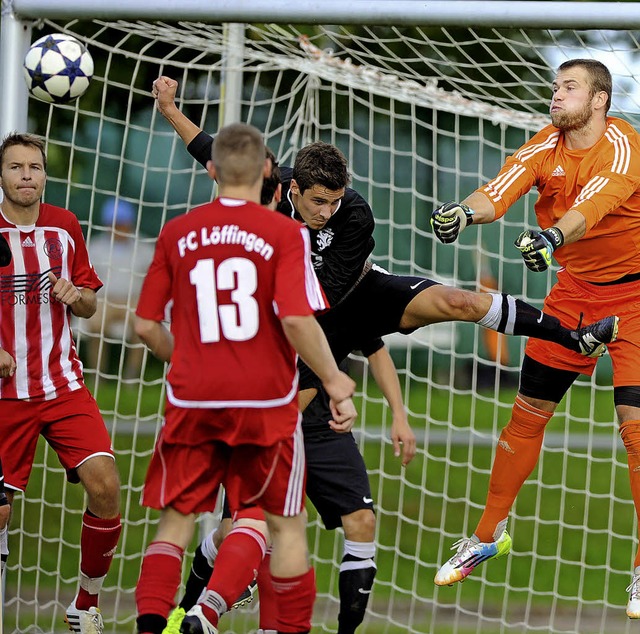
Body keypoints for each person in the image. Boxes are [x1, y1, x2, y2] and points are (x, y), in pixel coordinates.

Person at [428, 58, 640, 617]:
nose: (556, 94)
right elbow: (498, 191)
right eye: (555, 85)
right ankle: (488, 534)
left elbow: (592, 207)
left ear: (599, 99)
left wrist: (550, 234)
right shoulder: (545, 143)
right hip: (572, 294)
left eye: (568, 87)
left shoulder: (622, 145)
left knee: (636, 431)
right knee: (526, 415)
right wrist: (462, 215)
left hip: (635, 299)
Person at [133, 122, 357, 634]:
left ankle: (152, 626)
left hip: (192, 400)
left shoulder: (177, 231)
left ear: (211, 171)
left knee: (174, 525)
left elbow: (146, 325)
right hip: (264, 406)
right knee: (283, 527)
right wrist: (334, 381)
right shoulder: (285, 233)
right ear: (267, 174)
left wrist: (187, 357)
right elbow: (298, 320)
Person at [164, 344, 415, 634]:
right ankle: (186, 613)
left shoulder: (340, 300)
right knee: (239, 531)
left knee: (361, 521)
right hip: (265, 423)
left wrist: (399, 414)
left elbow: (375, 346)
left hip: (324, 428)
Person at [0, 133, 122, 634]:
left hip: (63, 386)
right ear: (2, 176)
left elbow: (90, 303)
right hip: (6, 395)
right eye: (16, 167)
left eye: (35, 167)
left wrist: (77, 298)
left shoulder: (66, 227)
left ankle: (85, 603)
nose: (27, 176)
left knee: (107, 486)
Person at [82, 198, 154, 380]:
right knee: (94, 324)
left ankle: (132, 375)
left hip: (134, 301)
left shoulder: (145, 248)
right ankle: (97, 373)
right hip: (104, 300)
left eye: (123, 224)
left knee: (144, 326)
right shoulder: (95, 247)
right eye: (115, 224)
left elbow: (153, 280)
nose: (119, 228)